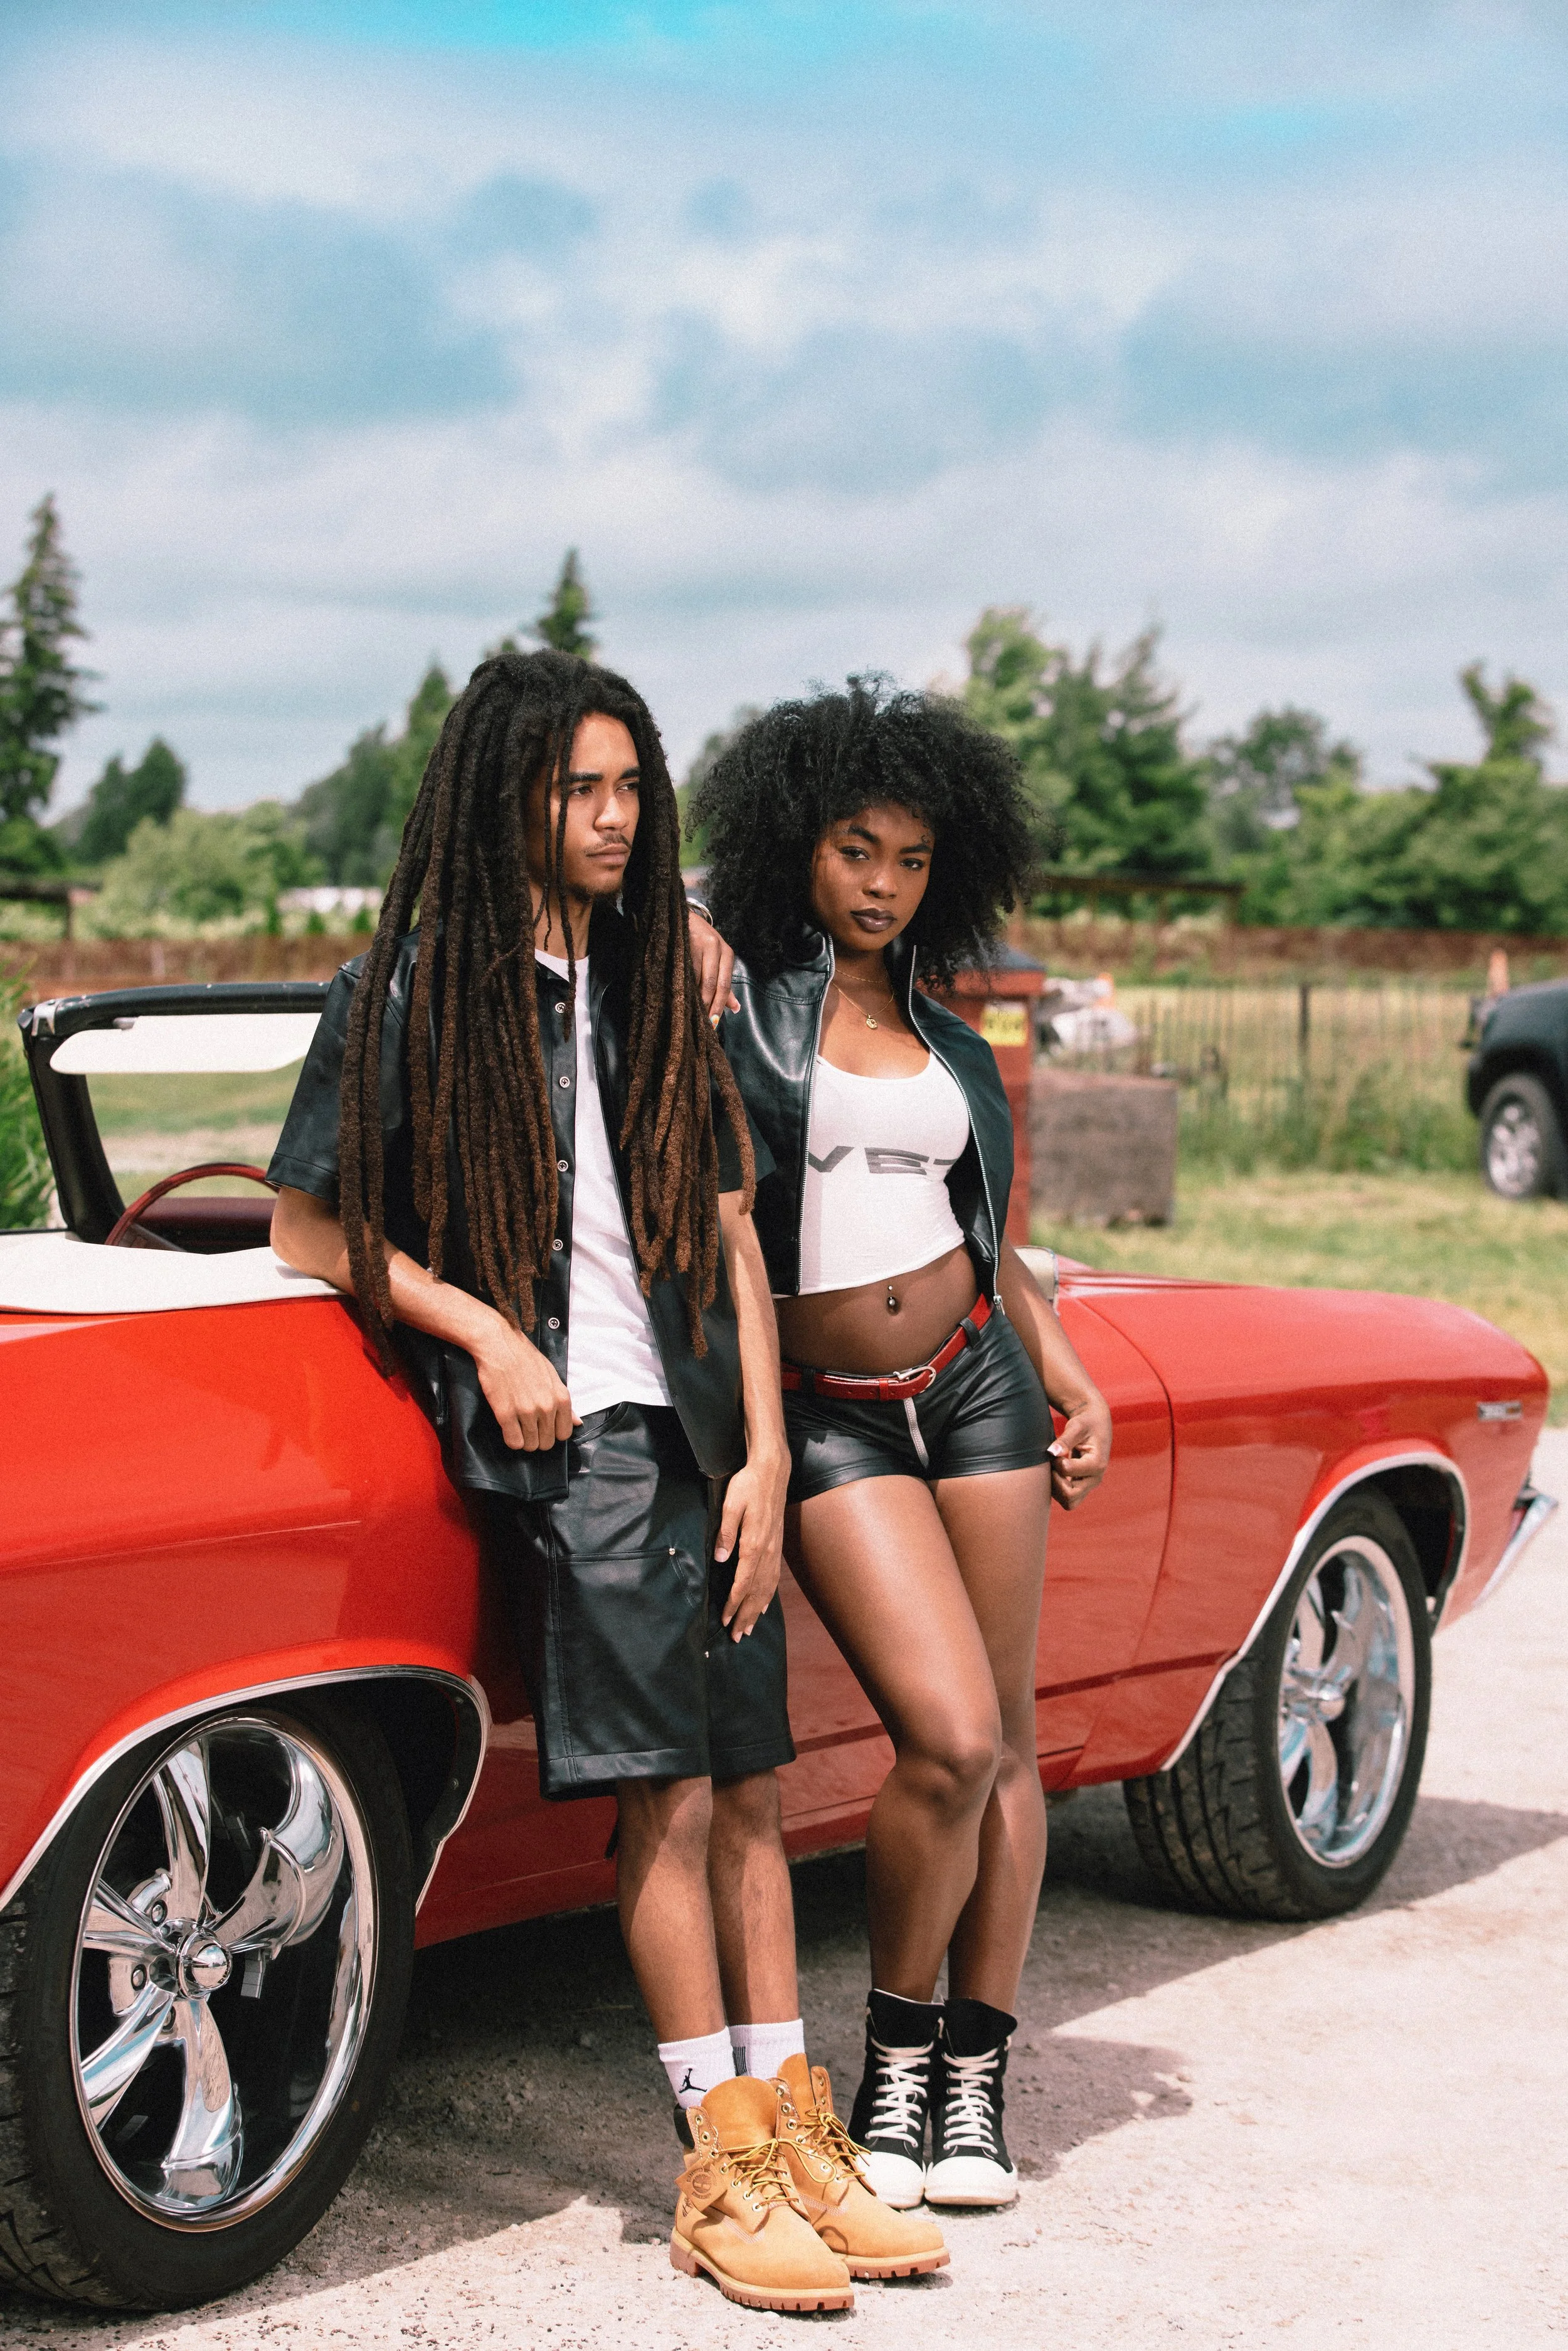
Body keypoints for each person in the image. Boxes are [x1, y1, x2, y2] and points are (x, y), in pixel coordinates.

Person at [268, 649, 945, 2310]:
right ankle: (716, 2164)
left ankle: (795, 2135)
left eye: (630, 785)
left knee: (753, 1789)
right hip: (575, 1449)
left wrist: (771, 1448)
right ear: (507, 798)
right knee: (674, 1794)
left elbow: (726, 1220)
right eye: (581, 787)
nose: (615, 816)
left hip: (708, 1433)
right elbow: (311, 1228)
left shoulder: (658, 982)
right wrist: (486, 1333)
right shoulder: (409, 992)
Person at [690, 679, 1113, 2212]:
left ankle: (973, 2071)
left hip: (978, 1382)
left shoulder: (947, 1037)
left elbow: (985, 1236)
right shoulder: (737, 1003)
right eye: (855, 845)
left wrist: (1063, 1365)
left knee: (1003, 1735)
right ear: (795, 843)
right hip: (828, 1415)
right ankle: (891, 2052)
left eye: (913, 856)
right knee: (940, 1733)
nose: (881, 881)